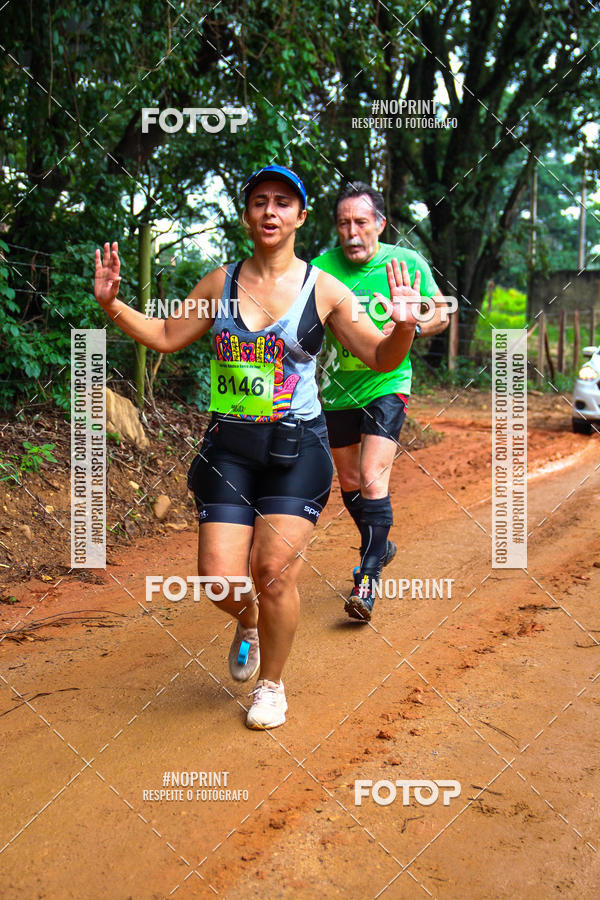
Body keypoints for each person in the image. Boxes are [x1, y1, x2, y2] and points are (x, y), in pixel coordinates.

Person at [94, 165, 422, 730]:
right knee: (220, 577)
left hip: (298, 450)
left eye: (283, 202)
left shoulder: (324, 289)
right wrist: (112, 306)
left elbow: (381, 358)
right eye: (260, 202)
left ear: (298, 216)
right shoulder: (219, 283)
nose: (270, 211)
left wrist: (404, 326)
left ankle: (271, 686)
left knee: (272, 569)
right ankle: (248, 620)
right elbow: (168, 337)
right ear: (247, 215)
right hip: (229, 448)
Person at [312, 181, 449, 623]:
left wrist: (415, 319)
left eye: (361, 222)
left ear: (381, 225)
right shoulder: (319, 269)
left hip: (387, 382)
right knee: (350, 482)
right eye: (343, 223)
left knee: (373, 477)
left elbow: (441, 314)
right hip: (336, 391)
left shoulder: (406, 263)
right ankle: (380, 543)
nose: (352, 232)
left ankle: (366, 581)